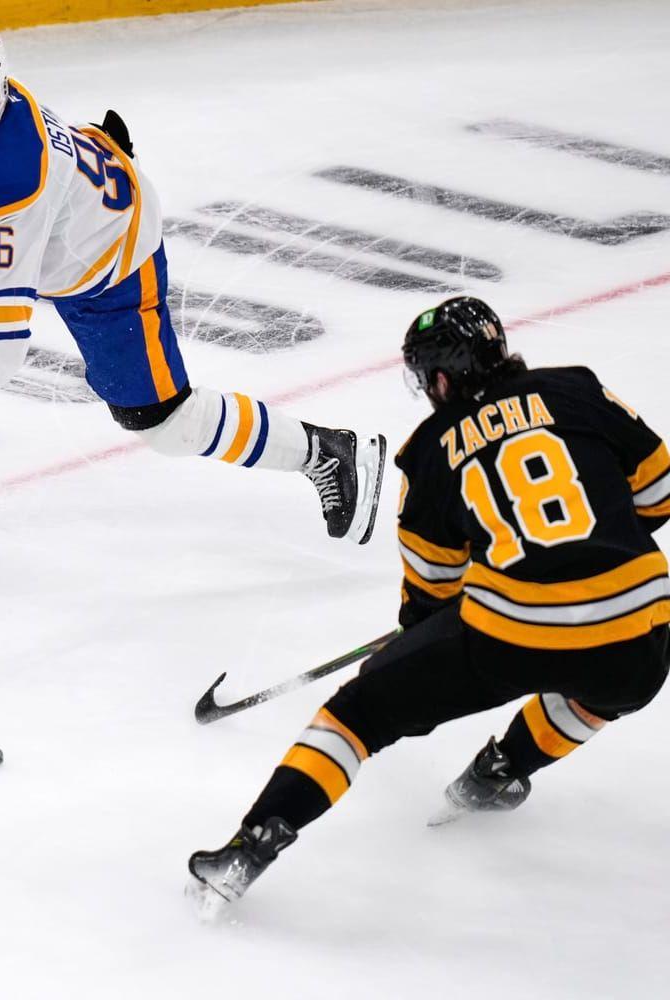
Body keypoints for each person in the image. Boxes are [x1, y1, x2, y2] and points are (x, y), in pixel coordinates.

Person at [187, 296, 670, 913]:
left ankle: (250, 847)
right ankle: (499, 773)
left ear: (442, 377)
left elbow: (432, 596)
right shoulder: (578, 389)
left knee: (357, 715)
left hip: (511, 636)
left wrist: (447, 607)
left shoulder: (431, 448)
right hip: (641, 633)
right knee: (602, 684)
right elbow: (658, 495)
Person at [0, 25, 386, 544]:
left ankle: (326, 452)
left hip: (110, 260)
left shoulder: (11, 175)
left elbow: (0, 333)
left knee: (166, 423)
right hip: (64, 217)